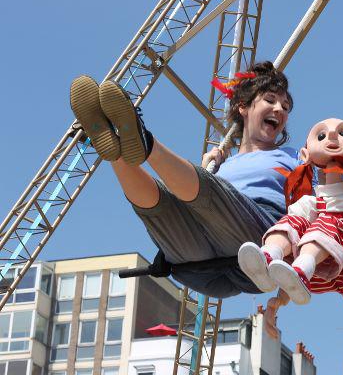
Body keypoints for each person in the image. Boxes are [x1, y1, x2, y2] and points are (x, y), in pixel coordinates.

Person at [69, 61, 301, 298]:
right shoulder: (221, 165)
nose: (280, 110)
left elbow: (319, 204)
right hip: (198, 264)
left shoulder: (294, 156)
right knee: (164, 204)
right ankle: (112, 149)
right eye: (270, 100)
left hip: (257, 241)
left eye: (285, 106)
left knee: (210, 192)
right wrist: (207, 169)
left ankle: (146, 142)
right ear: (243, 106)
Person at [237, 118, 343, 310]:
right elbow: (293, 236)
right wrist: (280, 301)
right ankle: (268, 256)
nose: (332, 136)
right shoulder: (310, 203)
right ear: (305, 154)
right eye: (321, 135)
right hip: (315, 276)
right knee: (293, 221)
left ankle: (302, 269)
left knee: (329, 221)